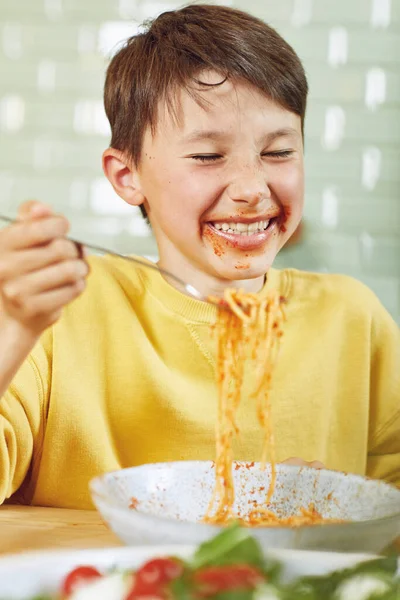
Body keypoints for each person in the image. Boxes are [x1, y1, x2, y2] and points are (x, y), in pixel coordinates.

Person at [0, 4, 398, 510]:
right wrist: (11, 327)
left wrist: (336, 506)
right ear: (128, 177)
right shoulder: (59, 317)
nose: (253, 189)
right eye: (208, 156)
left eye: (278, 152)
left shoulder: (352, 319)